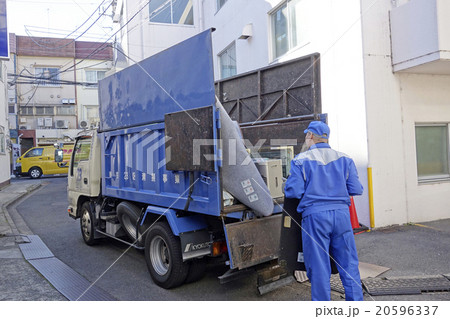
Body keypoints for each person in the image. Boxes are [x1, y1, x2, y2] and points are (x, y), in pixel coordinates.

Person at [284, 121, 364, 301]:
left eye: (307, 135)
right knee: (349, 264)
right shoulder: (345, 159)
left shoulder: (300, 160)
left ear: (310, 136)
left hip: (315, 218)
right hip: (342, 217)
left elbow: (293, 191)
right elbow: (356, 189)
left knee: (319, 267)